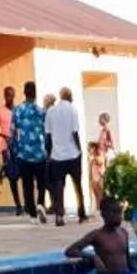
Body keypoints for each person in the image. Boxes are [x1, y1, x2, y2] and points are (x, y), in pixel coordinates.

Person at [7, 81, 49, 219]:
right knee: (41, 183)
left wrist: (13, 149)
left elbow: (12, 132)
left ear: (24, 93)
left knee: (27, 185)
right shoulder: (40, 111)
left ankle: (32, 213)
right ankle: (41, 204)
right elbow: (46, 131)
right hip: (39, 153)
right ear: (35, 94)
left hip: (24, 153)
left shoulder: (17, 110)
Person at [65, 195, 134, 274]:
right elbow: (70, 251)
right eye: (114, 212)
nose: (118, 217)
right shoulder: (97, 235)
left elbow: (128, 258)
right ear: (103, 214)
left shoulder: (123, 232)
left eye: (120, 212)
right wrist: (92, 256)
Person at [45, 86, 85, 225]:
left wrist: (49, 154)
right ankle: (82, 213)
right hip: (73, 154)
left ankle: (59, 216)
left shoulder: (51, 111)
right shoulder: (73, 109)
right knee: (77, 185)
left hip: (57, 156)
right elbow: (75, 133)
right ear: (70, 96)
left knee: (58, 187)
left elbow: (48, 135)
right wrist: (80, 150)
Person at [89, 113, 116, 212]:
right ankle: (98, 204)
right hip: (99, 155)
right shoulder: (103, 130)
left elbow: (112, 144)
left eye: (100, 119)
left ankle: (102, 204)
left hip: (103, 157)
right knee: (96, 183)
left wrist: (104, 145)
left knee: (101, 182)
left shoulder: (107, 130)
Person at [0, 85, 17, 178]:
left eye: (11, 95)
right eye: (7, 95)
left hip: (17, 145)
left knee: (19, 172)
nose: (9, 98)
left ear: (14, 96)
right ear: (4, 96)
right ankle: (14, 193)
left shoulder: (18, 110)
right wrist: (4, 136)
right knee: (9, 174)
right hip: (5, 147)